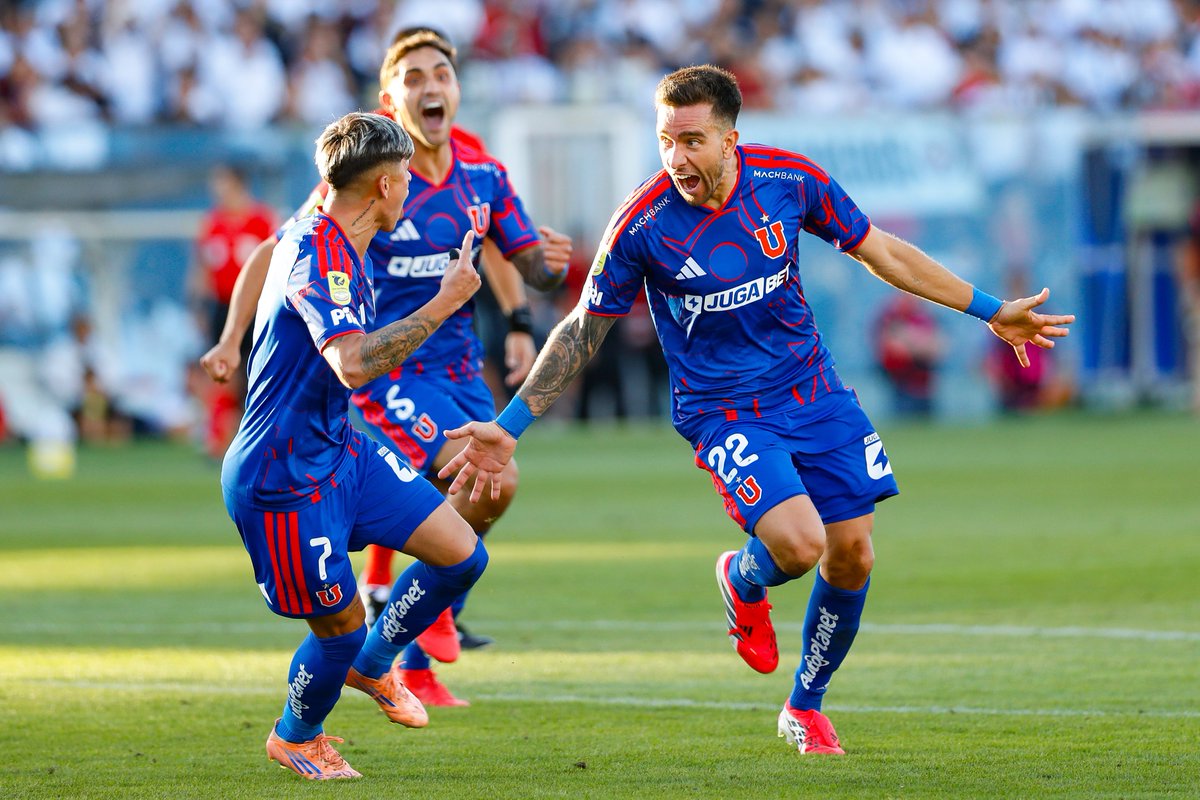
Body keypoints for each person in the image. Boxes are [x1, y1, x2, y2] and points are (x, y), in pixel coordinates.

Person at [438, 65, 1075, 755]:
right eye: (666, 142)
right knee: (801, 544)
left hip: (813, 389)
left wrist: (987, 310)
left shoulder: (788, 180)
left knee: (853, 554)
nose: (678, 158)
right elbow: (582, 331)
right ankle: (743, 575)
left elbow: (881, 251)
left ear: (730, 138)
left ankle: (804, 707)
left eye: (693, 141)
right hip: (724, 411)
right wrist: (510, 427)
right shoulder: (642, 224)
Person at [201, 27, 571, 705]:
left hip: (456, 369)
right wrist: (233, 336)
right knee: (487, 474)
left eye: (443, 74)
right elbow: (276, 256)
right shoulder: (353, 195)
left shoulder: (482, 175)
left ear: (456, 90)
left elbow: (523, 264)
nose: (432, 86)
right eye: (415, 76)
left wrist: (544, 275)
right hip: (388, 374)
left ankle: (407, 637)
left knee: (488, 495)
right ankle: (385, 625)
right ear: (390, 97)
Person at [222, 111, 487, 780]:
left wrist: (230, 340)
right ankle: (296, 735)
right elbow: (353, 364)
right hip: (283, 478)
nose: (410, 193)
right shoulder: (323, 251)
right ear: (384, 187)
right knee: (334, 628)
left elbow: (261, 256)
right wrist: (445, 301)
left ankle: (374, 666)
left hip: (340, 450)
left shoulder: (326, 223)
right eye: (404, 180)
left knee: (461, 555)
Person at [187, 163, 276, 458]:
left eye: (222, 183)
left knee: (257, 370)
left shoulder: (261, 220)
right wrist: (199, 306)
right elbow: (201, 268)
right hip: (222, 307)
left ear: (238, 184)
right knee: (221, 372)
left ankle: (257, 436)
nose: (217, 191)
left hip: (257, 306)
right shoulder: (212, 222)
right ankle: (217, 437)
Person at [872, 292, 943, 419]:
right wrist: (919, 343)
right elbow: (895, 350)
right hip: (901, 384)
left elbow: (937, 348)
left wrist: (907, 340)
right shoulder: (890, 317)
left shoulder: (925, 317)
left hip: (925, 383)